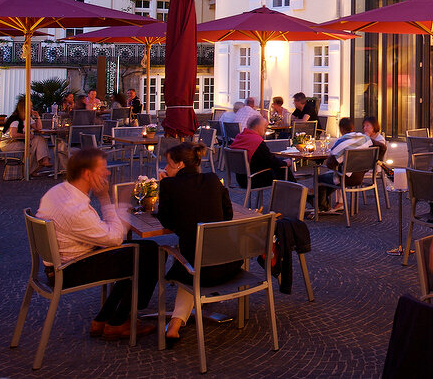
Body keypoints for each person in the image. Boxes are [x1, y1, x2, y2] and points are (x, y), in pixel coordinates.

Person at [35, 148, 158, 340]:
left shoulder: (57, 192)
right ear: (87, 173)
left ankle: (105, 318)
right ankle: (118, 323)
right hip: (70, 270)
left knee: (143, 251)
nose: (107, 173)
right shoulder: (74, 209)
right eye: (103, 169)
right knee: (151, 254)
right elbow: (114, 238)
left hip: (59, 264)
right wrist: (106, 199)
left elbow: (103, 235)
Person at [156, 141, 240, 347]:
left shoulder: (169, 186)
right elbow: (227, 215)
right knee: (195, 259)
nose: (165, 169)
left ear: (180, 165)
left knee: (190, 262)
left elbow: (166, 222)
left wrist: (165, 189)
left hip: (199, 269)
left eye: (168, 164)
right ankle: (175, 324)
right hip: (229, 263)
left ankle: (174, 324)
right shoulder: (212, 179)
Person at [228, 115, 295, 189]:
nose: (266, 129)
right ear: (258, 126)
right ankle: (299, 195)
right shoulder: (256, 141)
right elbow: (270, 161)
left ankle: (299, 194)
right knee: (283, 168)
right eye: (265, 127)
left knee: (280, 163)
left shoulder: (240, 137)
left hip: (241, 178)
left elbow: (264, 158)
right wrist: (286, 163)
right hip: (253, 179)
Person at [1, 95, 52, 174]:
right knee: (34, 145)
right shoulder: (15, 119)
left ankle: (38, 164)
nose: (32, 108)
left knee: (39, 140)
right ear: (24, 107)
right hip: (8, 142)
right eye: (30, 106)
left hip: (20, 141)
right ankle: (32, 169)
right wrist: (27, 136)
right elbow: (13, 134)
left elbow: (38, 128)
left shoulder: (28, 118)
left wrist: (37, 117)